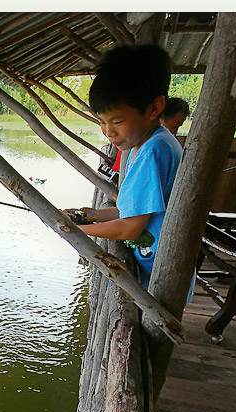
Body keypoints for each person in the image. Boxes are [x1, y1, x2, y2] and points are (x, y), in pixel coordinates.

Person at [66, 44, 183, 291]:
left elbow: (131, 227)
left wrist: (79, 230)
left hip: (157, 279)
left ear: (154, 108)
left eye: (117, 121)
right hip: (149, 268)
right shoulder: (144, 144)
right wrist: (92, 215)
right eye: (102, 122)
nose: (109, 132)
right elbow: (133, 211)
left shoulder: (153, 150)